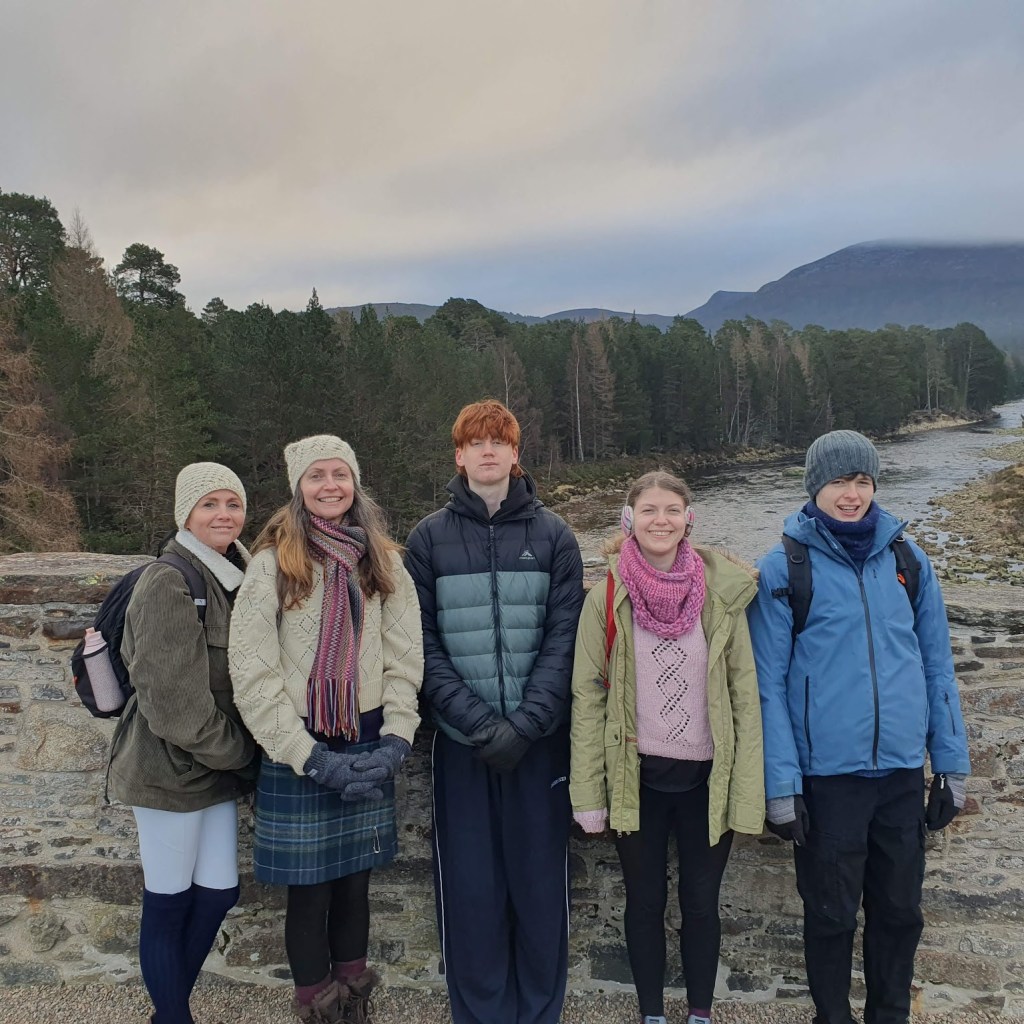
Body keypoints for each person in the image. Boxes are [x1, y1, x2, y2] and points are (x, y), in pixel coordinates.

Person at [747, 429, 971, 1024]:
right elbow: (766, 686)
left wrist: (950, 764)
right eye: (840, 481)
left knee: (900, 911)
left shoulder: (907, 560)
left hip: (900, 773)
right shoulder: (784, 567)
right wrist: (780, 784)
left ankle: (889, 1014)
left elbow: (936, 664)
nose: (852, 494)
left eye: (863, 481)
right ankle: (832, 1016)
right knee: (830, 914)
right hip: (827, 779)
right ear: (815, 486)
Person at [228, 435, 423, 1024]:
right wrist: (307, 756)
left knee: (354, 885)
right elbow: (253, 675)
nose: (331, 485)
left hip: (366, 738)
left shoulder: (384, 561)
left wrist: (396, 738)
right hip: (303, 744)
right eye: (317, 476)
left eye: (341, 473)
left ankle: (354, 1002)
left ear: (356, 482)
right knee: (309, 892)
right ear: (298, 488)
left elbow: (404, 655)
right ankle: (317, 1009)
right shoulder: (270, 565)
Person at [404, 399, 584, 1024]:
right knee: (472, 894)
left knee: (540, 892)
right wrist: (480, 725)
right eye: (474, 442)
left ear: (515, 453)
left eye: (498, 441)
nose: (487, 452)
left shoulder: (555, 536)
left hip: (539, 748)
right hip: (462, 745)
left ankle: (538, 1013)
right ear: (458, 455)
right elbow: (418, 643)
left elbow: (566, 640)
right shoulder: (427, 538)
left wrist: (528, 723)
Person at [570, 470, 764, 1024]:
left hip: (708, 779)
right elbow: (587, 699)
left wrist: (751, 791)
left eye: (672, 510)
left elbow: (743, 697)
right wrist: (589, 794)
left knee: (702, 904)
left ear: (688, 519)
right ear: (630, 519)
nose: (661, 520)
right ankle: (652, 1013)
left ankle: (699, 1013)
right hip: (637, 778)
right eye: (650, 510)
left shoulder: (720, 596)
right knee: (645, 902)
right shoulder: (606, 598)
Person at [107, 462, 258, 1024]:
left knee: (218, 892)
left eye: (232, 503)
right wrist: (246, 756)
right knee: (168, 901)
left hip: (212, 769)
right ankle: (173, 1017)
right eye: (209, 504)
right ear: (185, 514)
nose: (223, 514)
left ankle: (166, 1012)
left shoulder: (235, 575)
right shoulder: (170, 581)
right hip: (167, 769)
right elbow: (174, 706)